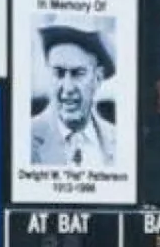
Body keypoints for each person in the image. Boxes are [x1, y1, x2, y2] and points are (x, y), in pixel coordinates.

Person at [30, 19, 117, 167]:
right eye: (58, 73)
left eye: (78, 73)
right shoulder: (27, 139)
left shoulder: (117, 140)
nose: (68, 88)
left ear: (98, 78)